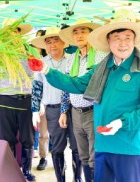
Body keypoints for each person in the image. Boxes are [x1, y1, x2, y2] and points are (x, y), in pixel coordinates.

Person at [28, 9, 140, 182]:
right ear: (108, 41)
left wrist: (122, 122)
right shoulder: (102, 68)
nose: (122, 43)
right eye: (117, 38)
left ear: (134, 41)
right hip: (102, 145)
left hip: (128, 147)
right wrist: (45, 69)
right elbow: (75, 84)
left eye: (128, 38)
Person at [57, 18, 107, 182]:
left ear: (91, 34)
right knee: (82, 154)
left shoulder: (101, 56)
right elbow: (66, 86)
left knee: (95, 154)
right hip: (75, 112)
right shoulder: (71, 58)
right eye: (76, 32)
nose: (79, 35)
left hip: (94, 111)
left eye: (83, 31)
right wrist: (63, 111)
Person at [31, 26, 82, 182]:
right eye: (49, 42)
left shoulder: (73, 59)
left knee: (77, 147)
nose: (52, 45)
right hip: (52, 110)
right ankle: (61, 179)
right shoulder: (42, 63)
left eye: (56, 41)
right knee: (57, 148)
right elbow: (37, 87)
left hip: (74, 109)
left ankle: (78, 178)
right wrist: (35, 109)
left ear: (63, 43)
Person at [0, 18, 36, 181]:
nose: (12, 35)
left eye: (15, 31)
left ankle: (27, 170)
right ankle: (12, 170)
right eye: (7, 33)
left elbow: (37, 79)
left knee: (27, 138)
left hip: (26, 100)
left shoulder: (29, 53)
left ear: (19, 34)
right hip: (6, 100)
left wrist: (38, 103)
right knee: (8, 138)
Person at [32, 29, 50, 171]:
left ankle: (58, 156)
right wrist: (39, 104)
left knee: (59, 134)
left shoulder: (60, 59)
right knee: (43, 133)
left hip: (58, 103)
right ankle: (43, 157)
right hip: (41, 102)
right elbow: (37, 85)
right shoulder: (37, 61)